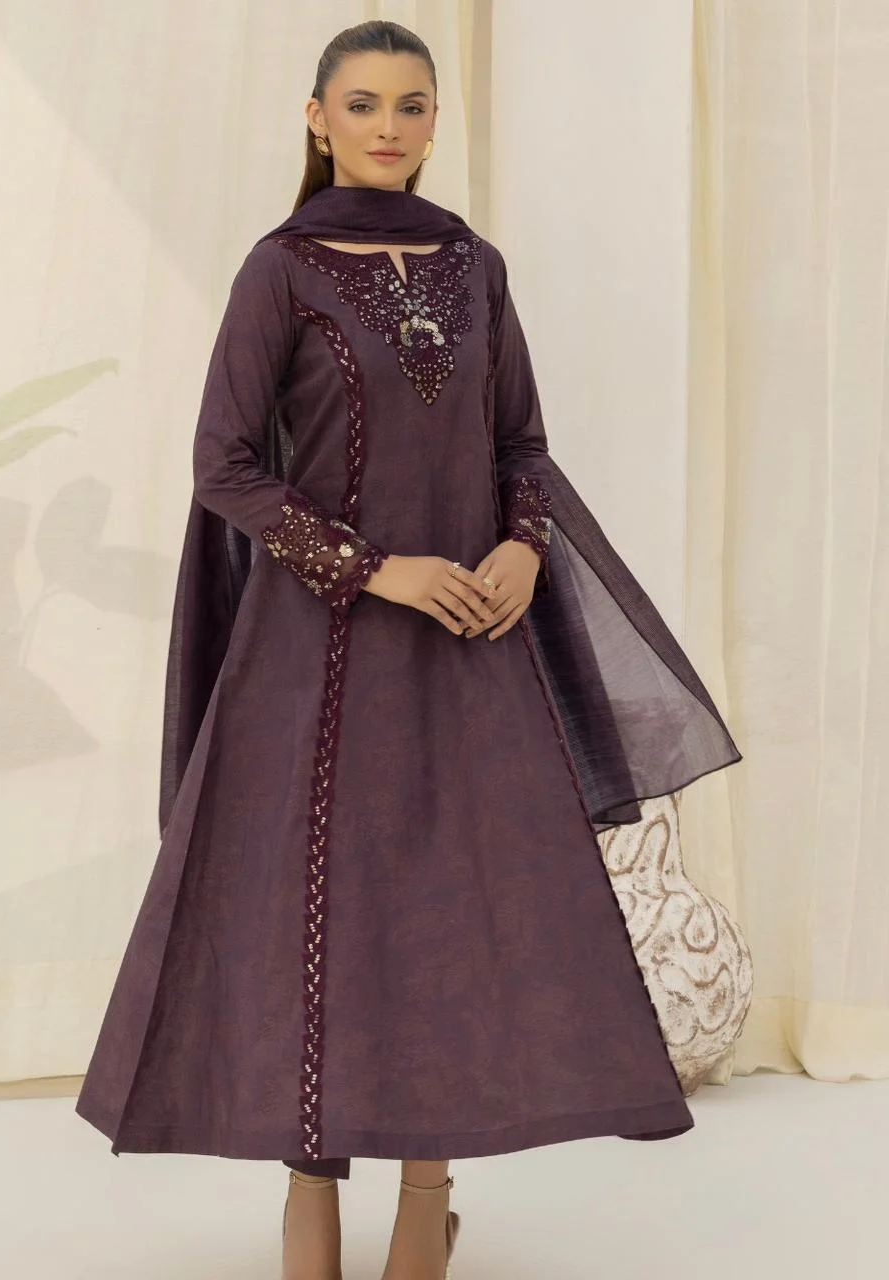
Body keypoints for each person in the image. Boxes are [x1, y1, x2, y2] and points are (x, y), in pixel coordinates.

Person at [75, 19, 742, 1280]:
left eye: (414, 105)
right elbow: (224, 467)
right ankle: (308, 1197)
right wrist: (378, 567)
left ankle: (427, 1200)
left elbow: (521, 444)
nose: (390, 127)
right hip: (312, 657)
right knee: (318, 913)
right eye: (366, 103)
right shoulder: (280, 270)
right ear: (317, 117)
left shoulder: (475, 267)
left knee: (448, 919)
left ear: (436, 121)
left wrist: (523, 550)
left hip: (470, 651)